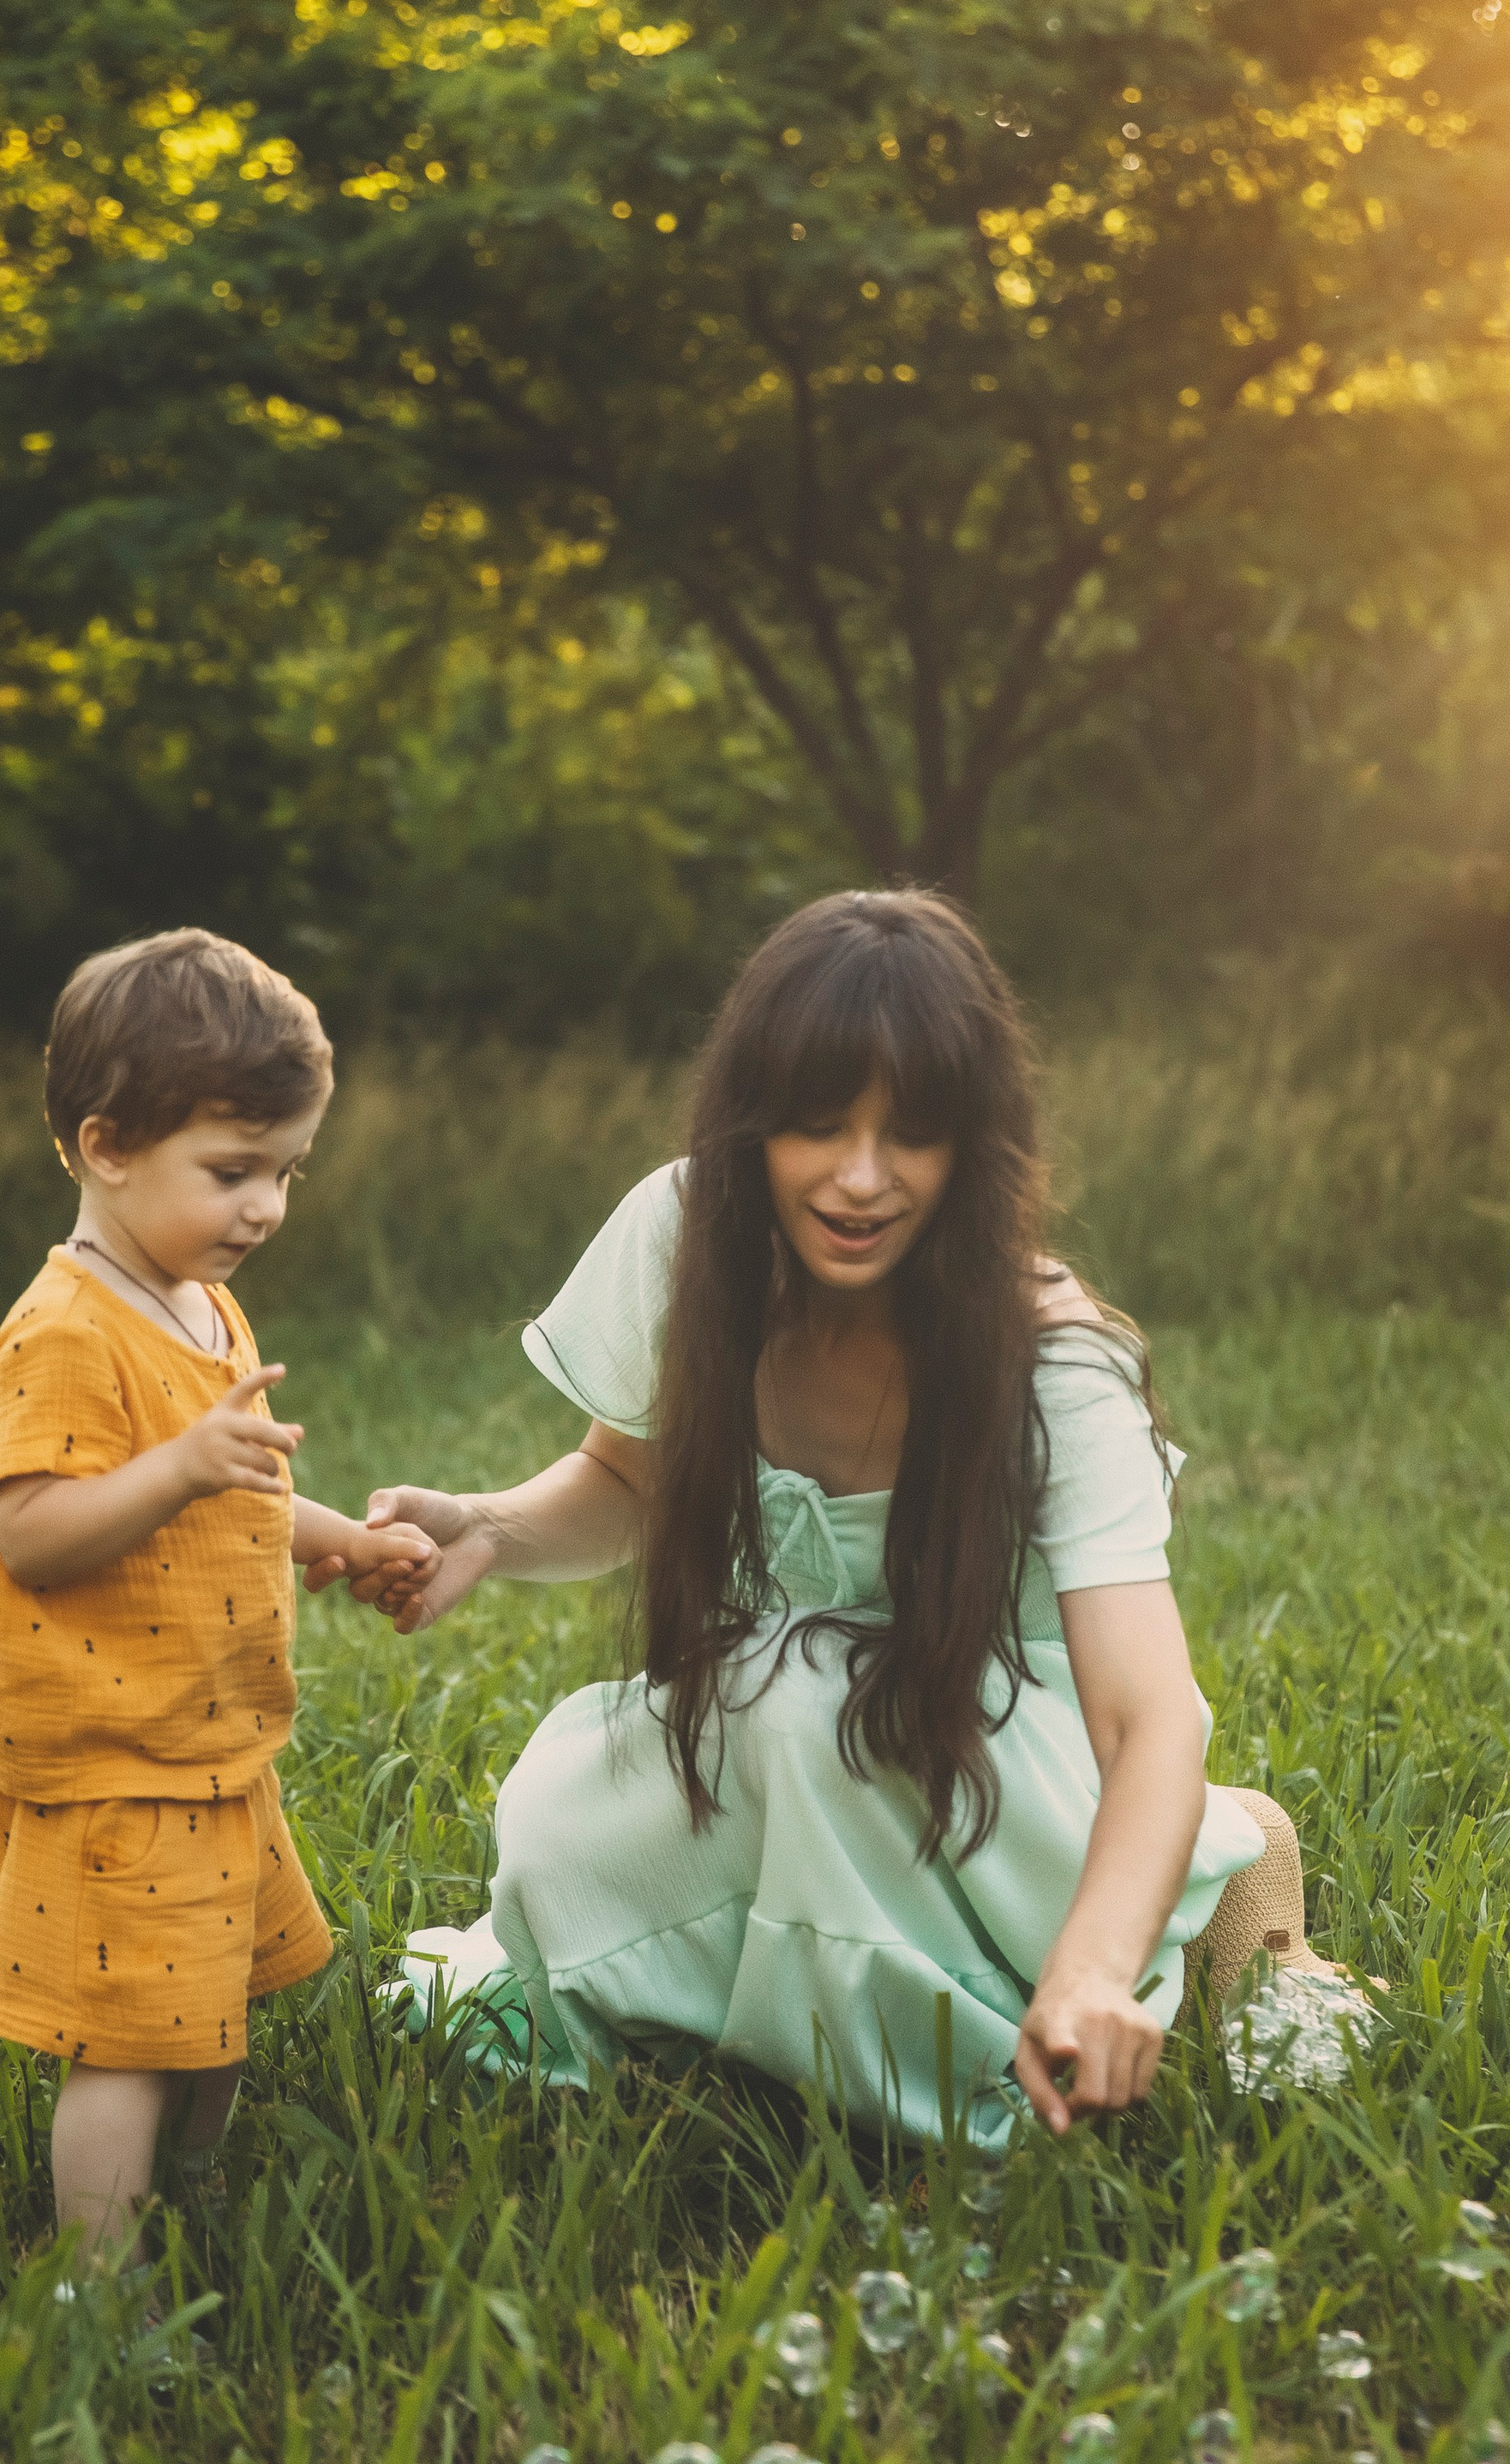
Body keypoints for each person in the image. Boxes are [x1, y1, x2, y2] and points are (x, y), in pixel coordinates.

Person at [343, 893, 1338, 2147]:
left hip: (981, 1769)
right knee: (568, 1840)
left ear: (972, 1149)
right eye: (818, 1126)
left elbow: (1151, 1714)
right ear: (753, 1123)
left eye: (910, 1136)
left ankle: (1212, 1870)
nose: (860, 1180)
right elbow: (633, 1479)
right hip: (777, 1738)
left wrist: (1088, 1969)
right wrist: (487, 1525)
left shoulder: (1054, 1366)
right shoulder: (685, 1236)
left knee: (813, 1712)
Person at [0, 928, 436, 2262]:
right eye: (233, 1171)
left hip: (209, 1747)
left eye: (286, 1171)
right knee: (123, 2043)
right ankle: (100, 2286)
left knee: (211, 1998)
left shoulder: (197, 1302)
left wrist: (337, 1536)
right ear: (108, 1145)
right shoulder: (62, 1333)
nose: (266, 1208)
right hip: (118, 1761)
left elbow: (232, 1491)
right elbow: (37, 1533)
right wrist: (176, 1467)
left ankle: (196, 2197)